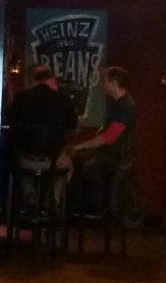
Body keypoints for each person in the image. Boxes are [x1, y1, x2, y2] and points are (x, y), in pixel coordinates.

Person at [9, 64, 78, 218]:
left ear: (33, 81)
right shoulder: (64, 100)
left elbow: (12, 125)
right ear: (51, 79)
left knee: (19, 156)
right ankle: (52, 199)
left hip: (26, 161)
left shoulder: (21, 98)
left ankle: (30, 197)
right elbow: (72, 128)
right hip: (53, 160)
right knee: (69, 165)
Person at [70, 66, 136, 215]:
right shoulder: (121, 104)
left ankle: (94, 210)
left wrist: (79, 146)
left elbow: (108, 138)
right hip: (113, 154)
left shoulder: (125, 107)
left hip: (114, 157)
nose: (102, 85)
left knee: (84, 166)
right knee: (78, 160)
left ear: (114, 83)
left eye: (104, 82)